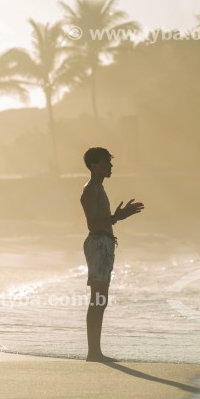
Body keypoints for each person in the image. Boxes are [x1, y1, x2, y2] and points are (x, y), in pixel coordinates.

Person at [80, 147, 144, 362]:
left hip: (103, 243)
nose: (110, 165)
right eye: (106, 162)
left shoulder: (99, 188)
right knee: (97, 299)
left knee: (101, 300)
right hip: (98, 243)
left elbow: (101, 220)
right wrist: (118, 216)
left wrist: (116, 217)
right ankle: (94, 352)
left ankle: (95, 351)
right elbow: (93, 223)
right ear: (94, 165)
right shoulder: (91, 190)